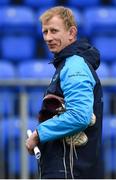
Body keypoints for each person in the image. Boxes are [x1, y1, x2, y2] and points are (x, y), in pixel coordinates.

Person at [26, 6, 104, 179]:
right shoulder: (67, 64)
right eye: (45, 32)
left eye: (54, 31)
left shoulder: (74, 66)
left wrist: (39, 135)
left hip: (70, 171)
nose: (48, 37)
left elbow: (79, 116)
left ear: (71, 32)